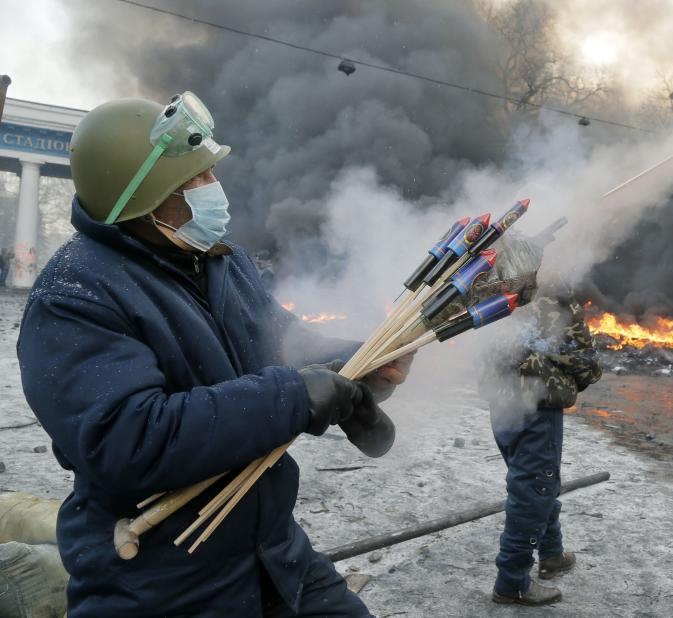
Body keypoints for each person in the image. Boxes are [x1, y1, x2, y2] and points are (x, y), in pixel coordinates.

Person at [17, 92, 412, 617]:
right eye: (192, 181)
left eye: (209, 175)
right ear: (141, 198)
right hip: (162, 581)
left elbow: (283, 342)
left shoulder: (220, 262)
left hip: (274, 553)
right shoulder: (75, 294)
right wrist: (291, 397)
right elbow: (128, 440)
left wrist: (361, 358)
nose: (213, 190)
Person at [476, 235, 602, 606]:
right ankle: (512, 582)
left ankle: (551, 552)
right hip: (537, 405)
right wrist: (586, 377)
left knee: (537, 482)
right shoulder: (550, 289)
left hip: (501, 403)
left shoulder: (487, 292)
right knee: (533, 491)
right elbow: (579, 351)